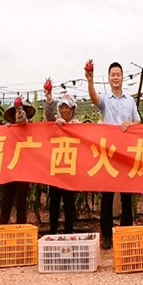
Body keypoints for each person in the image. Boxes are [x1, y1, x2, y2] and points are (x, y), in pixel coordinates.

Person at [86, 61, 141, 250]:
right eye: (113, 75)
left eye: (118, 74)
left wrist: (129, 124)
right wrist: (90, 80)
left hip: (126, 154)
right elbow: (94, 98)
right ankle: (107, 236)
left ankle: (125, 233)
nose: (116, 77)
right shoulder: (105, 99)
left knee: (126, 195)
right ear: (109, 78)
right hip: (108, 153)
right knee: (107, 196)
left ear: (122, 77)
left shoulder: (130, 101)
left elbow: (138, 122)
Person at [44, 92, 80, 234]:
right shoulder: (56, 123)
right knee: (54, 203)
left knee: (69, 204)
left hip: (70, 170)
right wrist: (49, 101)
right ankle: (52, 233)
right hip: (56, 169)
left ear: (73, 109)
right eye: (62, 107)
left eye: (67, 107)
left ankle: (68, 234)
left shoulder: (78, 125)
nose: (64, 110)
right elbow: (48, 116)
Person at [0, 98, 36, 225]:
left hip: (24, 172)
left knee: (21, 204)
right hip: (9, 171)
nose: (19, 113)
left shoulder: (31, 130)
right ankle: (2, 228)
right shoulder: (8, 129)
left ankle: (21, 229)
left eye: (22, 110)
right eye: (17, 111)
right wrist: (6, 131)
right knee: (6, 201)